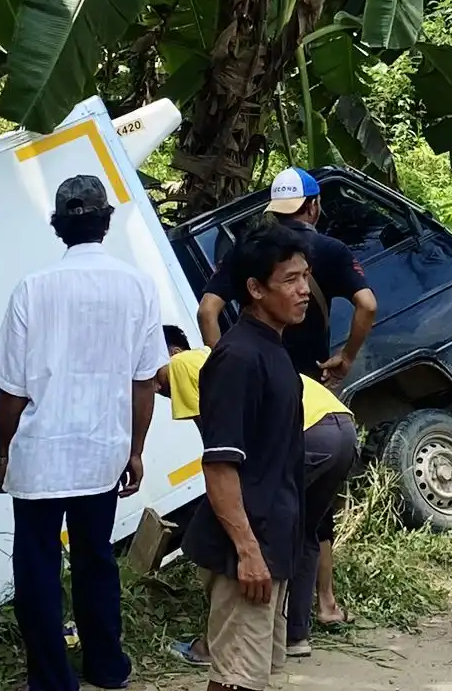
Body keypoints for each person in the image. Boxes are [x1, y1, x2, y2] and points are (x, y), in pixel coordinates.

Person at [0, 175, 167, 691]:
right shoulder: (137, 287)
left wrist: (2, 453)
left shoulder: (32, 288)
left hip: (41, 455)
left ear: (59, 226)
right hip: (103, 452)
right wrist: (135, 450)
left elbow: (12, 390)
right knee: (96, 557)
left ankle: (52, 678)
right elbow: (145, 382)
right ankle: (107, 667)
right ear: (106, 222)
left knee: (37, 564)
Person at [196, 167, 376, 628]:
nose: (299, 287)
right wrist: (347, 357)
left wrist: (225, 361)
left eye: (303, 280)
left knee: (277, 488)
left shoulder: (250, 251)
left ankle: (287, 624)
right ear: (314, 207)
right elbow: (368, 304)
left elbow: (208, 310)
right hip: (308, 386)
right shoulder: (329, 250)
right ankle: (323, 605)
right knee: (302, 498)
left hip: (263, 384)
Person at [159, 325, 358, 663]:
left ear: (171, 352)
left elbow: (219, 447)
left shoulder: (181, 365)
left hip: (309, 431)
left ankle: (221, 645)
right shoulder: (224, 356)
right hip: (341, 425)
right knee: (304, 530)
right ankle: (295, 635)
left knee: (247, 525)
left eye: (150, 379)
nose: (154, 389)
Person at [182, 225, 309, 691]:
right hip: (249, 549)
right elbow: (219, 465)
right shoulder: (237, 358)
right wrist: (248, 551)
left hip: (272, 540)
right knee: (235, 678)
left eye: (305, 277)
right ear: (255, 289)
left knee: (247, 676)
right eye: (290, 280)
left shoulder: (273, 349)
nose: (303, 290)